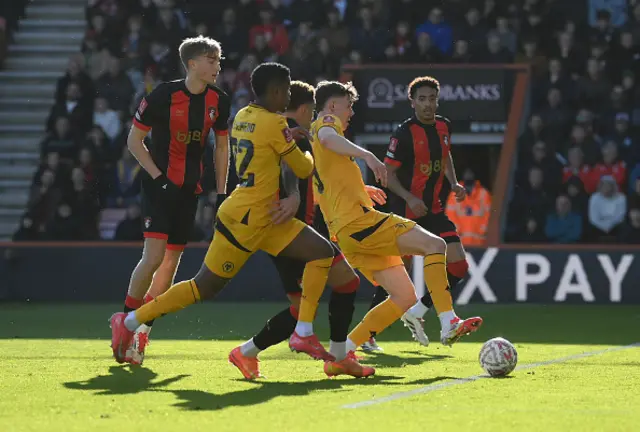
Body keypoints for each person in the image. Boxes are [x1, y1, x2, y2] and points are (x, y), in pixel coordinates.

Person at [109, 63, 342, 372]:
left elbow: (268, 147)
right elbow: (303, 168)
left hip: (263, 215)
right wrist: (306, 147)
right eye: (285, 90)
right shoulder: (275, 124)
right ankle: (130, 320)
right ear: (274, 91)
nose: (287, 96)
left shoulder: (243, 115)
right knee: (203, 287)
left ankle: (303, 332)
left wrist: (286, 137)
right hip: (250, 220)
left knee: (323, 252)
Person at [309, 80, 482, 376]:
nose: (351, 112)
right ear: (333, 105)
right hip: (361, 223)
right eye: (348, 106)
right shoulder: (326, 124)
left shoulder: (325, 149)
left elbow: (327, 186)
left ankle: (342, 352)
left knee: (404, 298)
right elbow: (327, 136)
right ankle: (449, 321)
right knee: (436, 246)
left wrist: (361, 189)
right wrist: (368, 155)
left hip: (349, 232)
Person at [228, 80, 375, 379]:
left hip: (285, 230)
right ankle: (336, 356)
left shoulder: (282, 131)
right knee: (345, 282)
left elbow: (314, 181)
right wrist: (294, 196)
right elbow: (289, 168)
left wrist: (357, 190)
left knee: (306, 304)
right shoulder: (294, 135)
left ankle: (246, 353)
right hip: (291, 233)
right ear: (307, 109)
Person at [119, 36, 231, 364]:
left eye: (219, 60)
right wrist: (158, 177)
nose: (217, 66)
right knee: (153, 258)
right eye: (211, 60)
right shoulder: (162, 96)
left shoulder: (219, 101)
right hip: (158, 187)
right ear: (192, 63)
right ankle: (125, 320)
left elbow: (222, 147)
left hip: (189, 190)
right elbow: (134, 141)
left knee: (171, 263)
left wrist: (222, 191)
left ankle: (142, 330)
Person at [365, 76, 472, 349]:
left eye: (432, 99)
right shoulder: (403, 134)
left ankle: (418, 312)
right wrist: (410, 198)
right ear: (412, 102)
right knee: (398, 275)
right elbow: (387, 174)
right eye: (422, 99)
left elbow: (445, 154)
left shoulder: (444, 126)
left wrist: (453, 182)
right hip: (406, 210)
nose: (427, 104)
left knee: (459, 266)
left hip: (433, 209)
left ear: (438, 100)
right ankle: (367, 335)